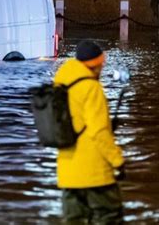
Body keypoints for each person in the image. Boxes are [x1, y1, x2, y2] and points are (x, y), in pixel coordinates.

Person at [54, 40, 125, 224]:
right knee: (108, 216)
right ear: (95, 65)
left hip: (68, 174)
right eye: (101, 64)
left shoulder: (60, 85)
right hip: (95, 175)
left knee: (73, 221)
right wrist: (117, 160)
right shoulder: (91, 88)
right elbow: (99, 132)